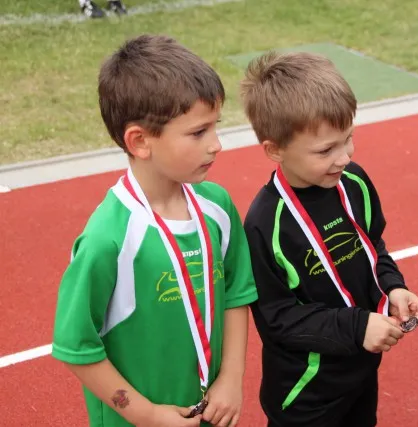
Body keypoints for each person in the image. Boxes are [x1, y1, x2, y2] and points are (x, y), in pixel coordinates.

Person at [51, 35, 257, 427]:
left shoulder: (217, 207)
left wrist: (232, 379)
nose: (216, 145)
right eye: (198, 132)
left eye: (215, 127)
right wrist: (146, 415)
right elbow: (76, 345)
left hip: (212, 415)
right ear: (140, 142)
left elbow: (236, 293)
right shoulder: (107, 239)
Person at [239, 51, 418, 427]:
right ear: (275, 149)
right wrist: (357, 327)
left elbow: (373, 247)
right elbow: (278, 320)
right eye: (326, 150)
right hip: (305, 395)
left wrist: (392, 287)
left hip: (361, 371)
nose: (344, 157)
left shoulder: (353, 182)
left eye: (348, 139)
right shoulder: (265, 225)